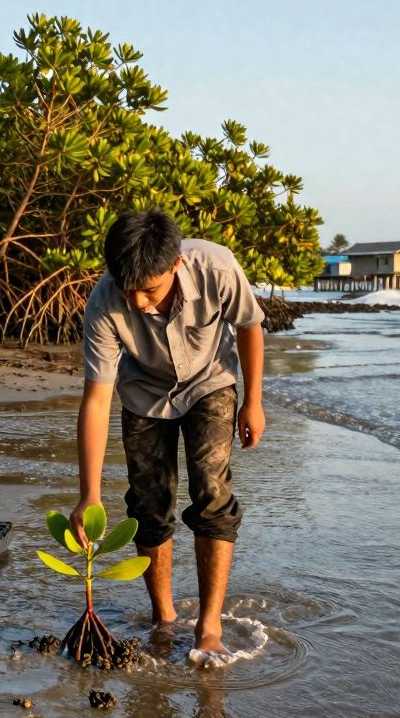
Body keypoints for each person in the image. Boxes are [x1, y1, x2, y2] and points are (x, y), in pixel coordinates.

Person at [69, 207, 265, 667]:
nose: (137, 301)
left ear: (175, 264)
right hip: (144, 393)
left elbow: (250, 325)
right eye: (126, 288)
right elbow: (96, 400)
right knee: (148, 503)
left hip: (211, 381)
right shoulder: (104, 302)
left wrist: (253, 400)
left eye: (149, 289)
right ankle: (164, 617)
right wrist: (88, 495)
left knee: (211, 493)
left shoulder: (217, 267)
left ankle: (209, 625)